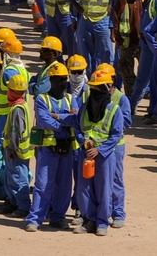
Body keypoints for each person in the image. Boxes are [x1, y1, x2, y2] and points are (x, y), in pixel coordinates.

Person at [24, 62, 80, 231]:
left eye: (64, 79)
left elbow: (76, 120)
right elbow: (44, 120)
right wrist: (65, 121)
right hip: (48, 149)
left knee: (64, 186)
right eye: (58, 80)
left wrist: (57, 117)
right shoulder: (42, 99)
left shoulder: (71, 99)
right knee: (43, 185)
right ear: (51, 80)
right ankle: (35, 219)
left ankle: (58, 217)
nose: (62, 83)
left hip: (67, 148)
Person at [74, 68, 124, 237]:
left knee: (104, 189)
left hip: (104, 156)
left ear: (105, 88)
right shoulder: (85, 107)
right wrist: (83, 141)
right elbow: (77, 126)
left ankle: (102, 222)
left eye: (97, 89)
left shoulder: (114, 110)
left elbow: (116, 134)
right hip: (86, 153)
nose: (94, 92)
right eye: (92, 88)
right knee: (84, 189)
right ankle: (89, 220)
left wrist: (99, 150)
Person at [2, 73, 34, 218]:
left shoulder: (17, 109)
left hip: (17, 151)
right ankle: (15, 203)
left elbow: (16, 131)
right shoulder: (22, 105)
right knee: (15, 177)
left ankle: (23, 206)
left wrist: (11, 149)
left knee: (18, 179)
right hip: (21, 151)